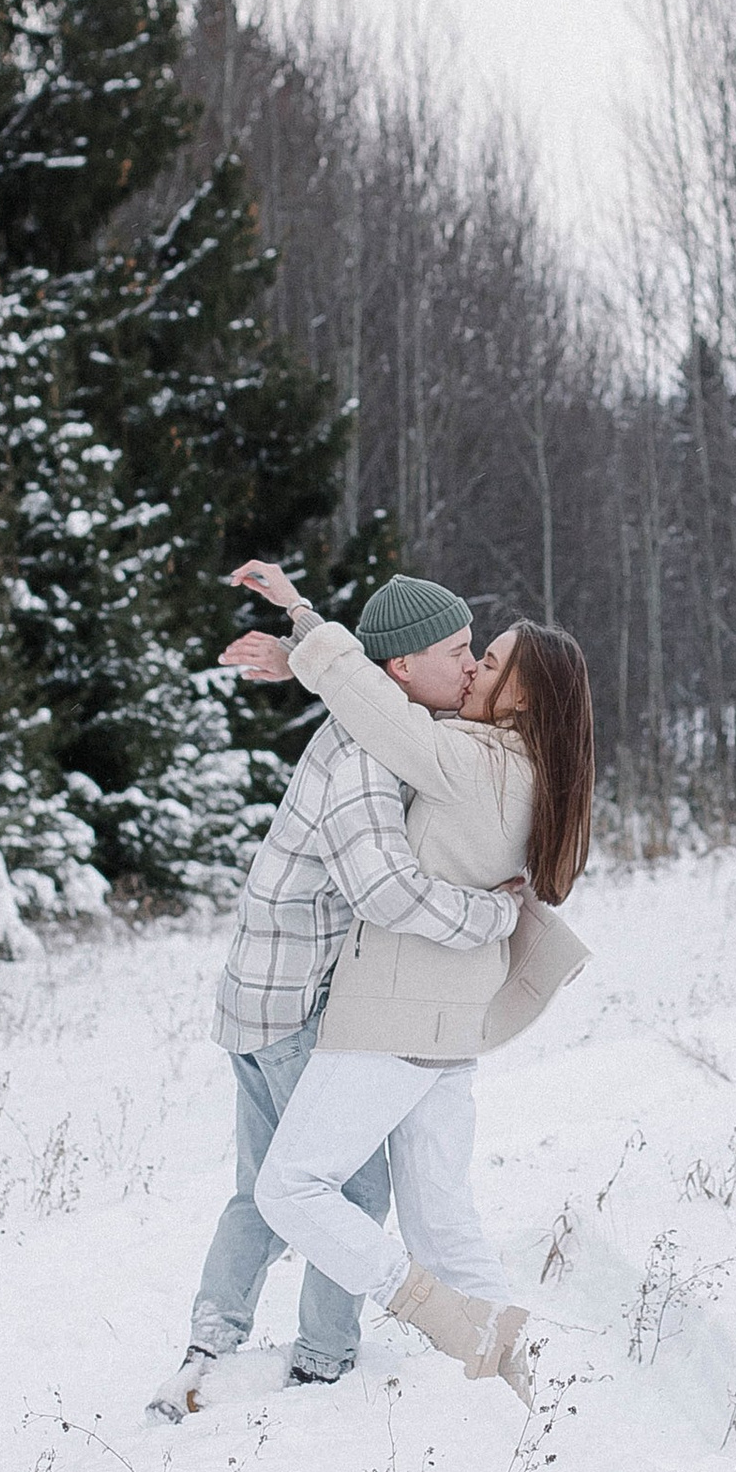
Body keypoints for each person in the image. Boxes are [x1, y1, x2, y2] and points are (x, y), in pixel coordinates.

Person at [221, 558, 595, 1408]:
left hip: (394, 1018)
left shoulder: (470, 760)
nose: (472, 668)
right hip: (449, 1026)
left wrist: (302, 622)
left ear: (523, 699)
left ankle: (441, 1318)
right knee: (441, 1219)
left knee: (288, 1189)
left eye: (489, 662)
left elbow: (378, 712)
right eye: (470, 652)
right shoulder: (526, 771)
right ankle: (521, 1393)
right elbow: (381, 699)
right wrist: (303, 654)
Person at [147, 574, 519, 1421]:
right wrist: (494, 914)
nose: (470, 670)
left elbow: (358, 677)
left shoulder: (381, 720)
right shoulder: (363, 756)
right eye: (458, 654)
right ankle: (324, 1361)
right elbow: (386, 890)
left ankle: (212, 1339)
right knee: (342, 1190)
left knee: (262, 1186)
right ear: (401, 668)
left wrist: (299, 648)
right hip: (288, 1005)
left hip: (256, 997)